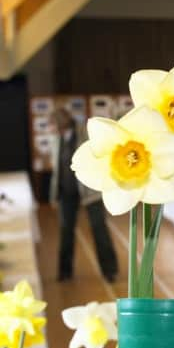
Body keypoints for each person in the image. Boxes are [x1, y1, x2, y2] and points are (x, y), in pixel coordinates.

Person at [50, 108, 119, 282]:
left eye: (52, 124)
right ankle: (65, 272)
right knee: (66, 231)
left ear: (60, 123)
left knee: (99, 228)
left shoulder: (84, 132)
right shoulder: (56, 140)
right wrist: (54, 195)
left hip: (90, 192)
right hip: (66, 193)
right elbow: (56, 169)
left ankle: (110, 270)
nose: (50, 129)